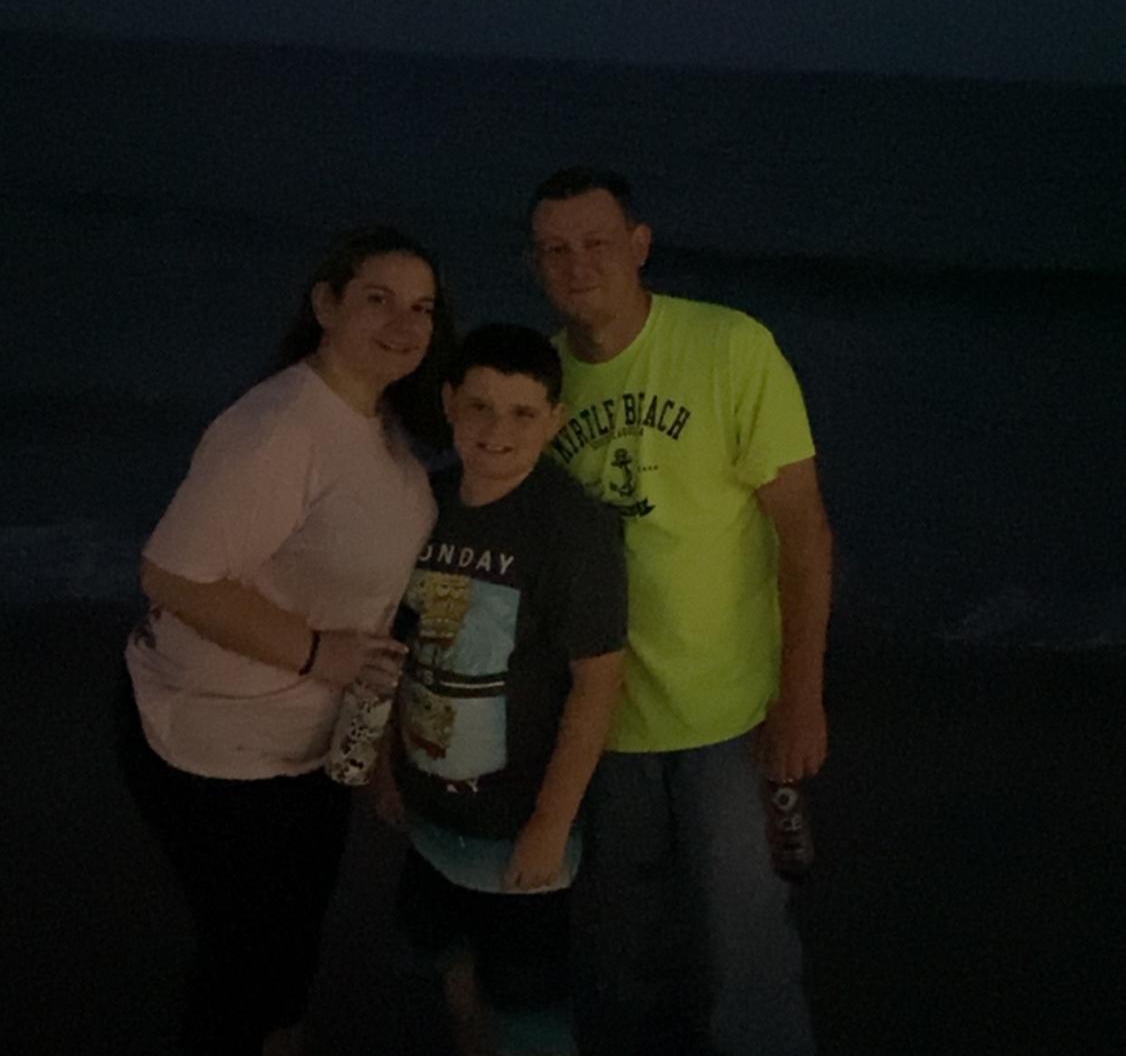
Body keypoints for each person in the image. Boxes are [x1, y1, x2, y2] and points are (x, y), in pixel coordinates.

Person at [118, 225, 455, 1056]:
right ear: (326, 305)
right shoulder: (278, 428)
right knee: (245, 965)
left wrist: (369, 744)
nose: (404, 322)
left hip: (302, 741)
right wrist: (317, 653)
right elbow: (173, 575)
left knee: (291, 947)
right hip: (215, 741)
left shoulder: (376, 423)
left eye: (422, 307)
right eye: (377, 299)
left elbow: (370, 606)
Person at [528, 167, 833, 1056]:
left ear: (639, 245)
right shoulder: (541, 386)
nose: (577, 264)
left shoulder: (730, 347)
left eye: (595, 242)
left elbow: (805, 534)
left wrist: (801, 699)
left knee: (748, 960)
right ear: (537, 265)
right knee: (623, 968)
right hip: (601, 726)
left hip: (727, 720)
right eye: (555, 249)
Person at [367, 323, 628, 1056]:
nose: (497, 430)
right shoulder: (427, 502)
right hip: (428, 805)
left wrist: (551, 824)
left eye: (521, 413)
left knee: (528, 1003)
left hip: (520, 826)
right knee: (441, 957)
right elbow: (399, 642)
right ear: (449, 403)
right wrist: (384, 759)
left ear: (556, 420)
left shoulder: (573, 531)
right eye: (478, 406)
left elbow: (598, 685)